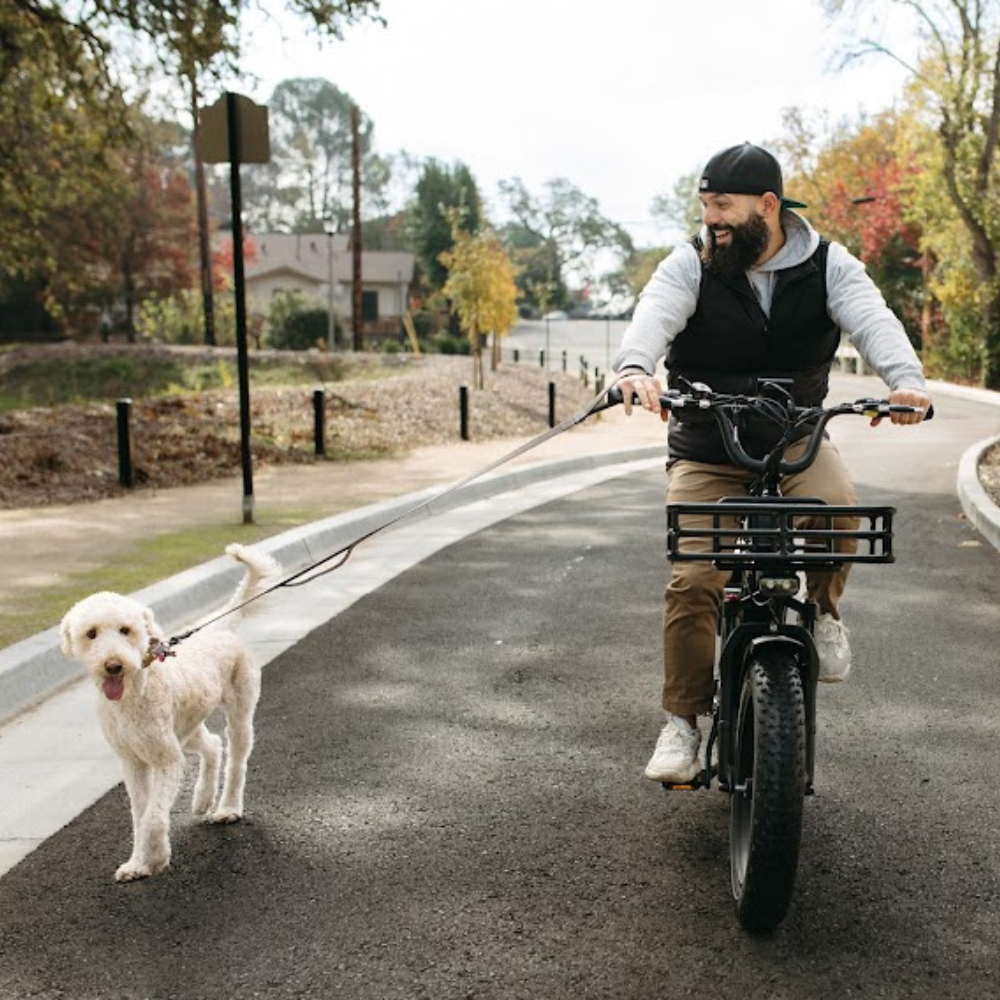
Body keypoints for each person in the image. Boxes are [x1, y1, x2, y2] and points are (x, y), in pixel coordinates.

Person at [613, 142, 932, 784]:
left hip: (796, 442)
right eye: (705, 205)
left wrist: (906, 381)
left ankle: (824, 616)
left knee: (840, 509)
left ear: (767, 205)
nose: (711, 219)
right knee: (696, 576)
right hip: (708, 449)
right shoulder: (691, 263)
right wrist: (634, 368)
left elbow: (874, 321)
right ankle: (681, 720)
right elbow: (653, 317)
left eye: (722, 205)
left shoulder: (829, 265)